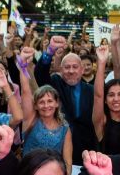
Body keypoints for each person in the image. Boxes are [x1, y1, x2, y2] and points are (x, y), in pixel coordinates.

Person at [34, 35, 96, 166]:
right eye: (67, 67)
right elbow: (40, 74)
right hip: (59, 149)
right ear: (61, 70)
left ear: (82, 69)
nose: (71, 71)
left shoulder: (92, 90)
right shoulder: (56, 83)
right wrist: (50, 51)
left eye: (75, 67)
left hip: (86, 150)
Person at [92, 45, 120, 156]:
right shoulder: (102, 121)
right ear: (105, 100)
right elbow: (98, 96)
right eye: (111, 95)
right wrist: (101, 63)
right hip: (106, 172)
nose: (116, 99)